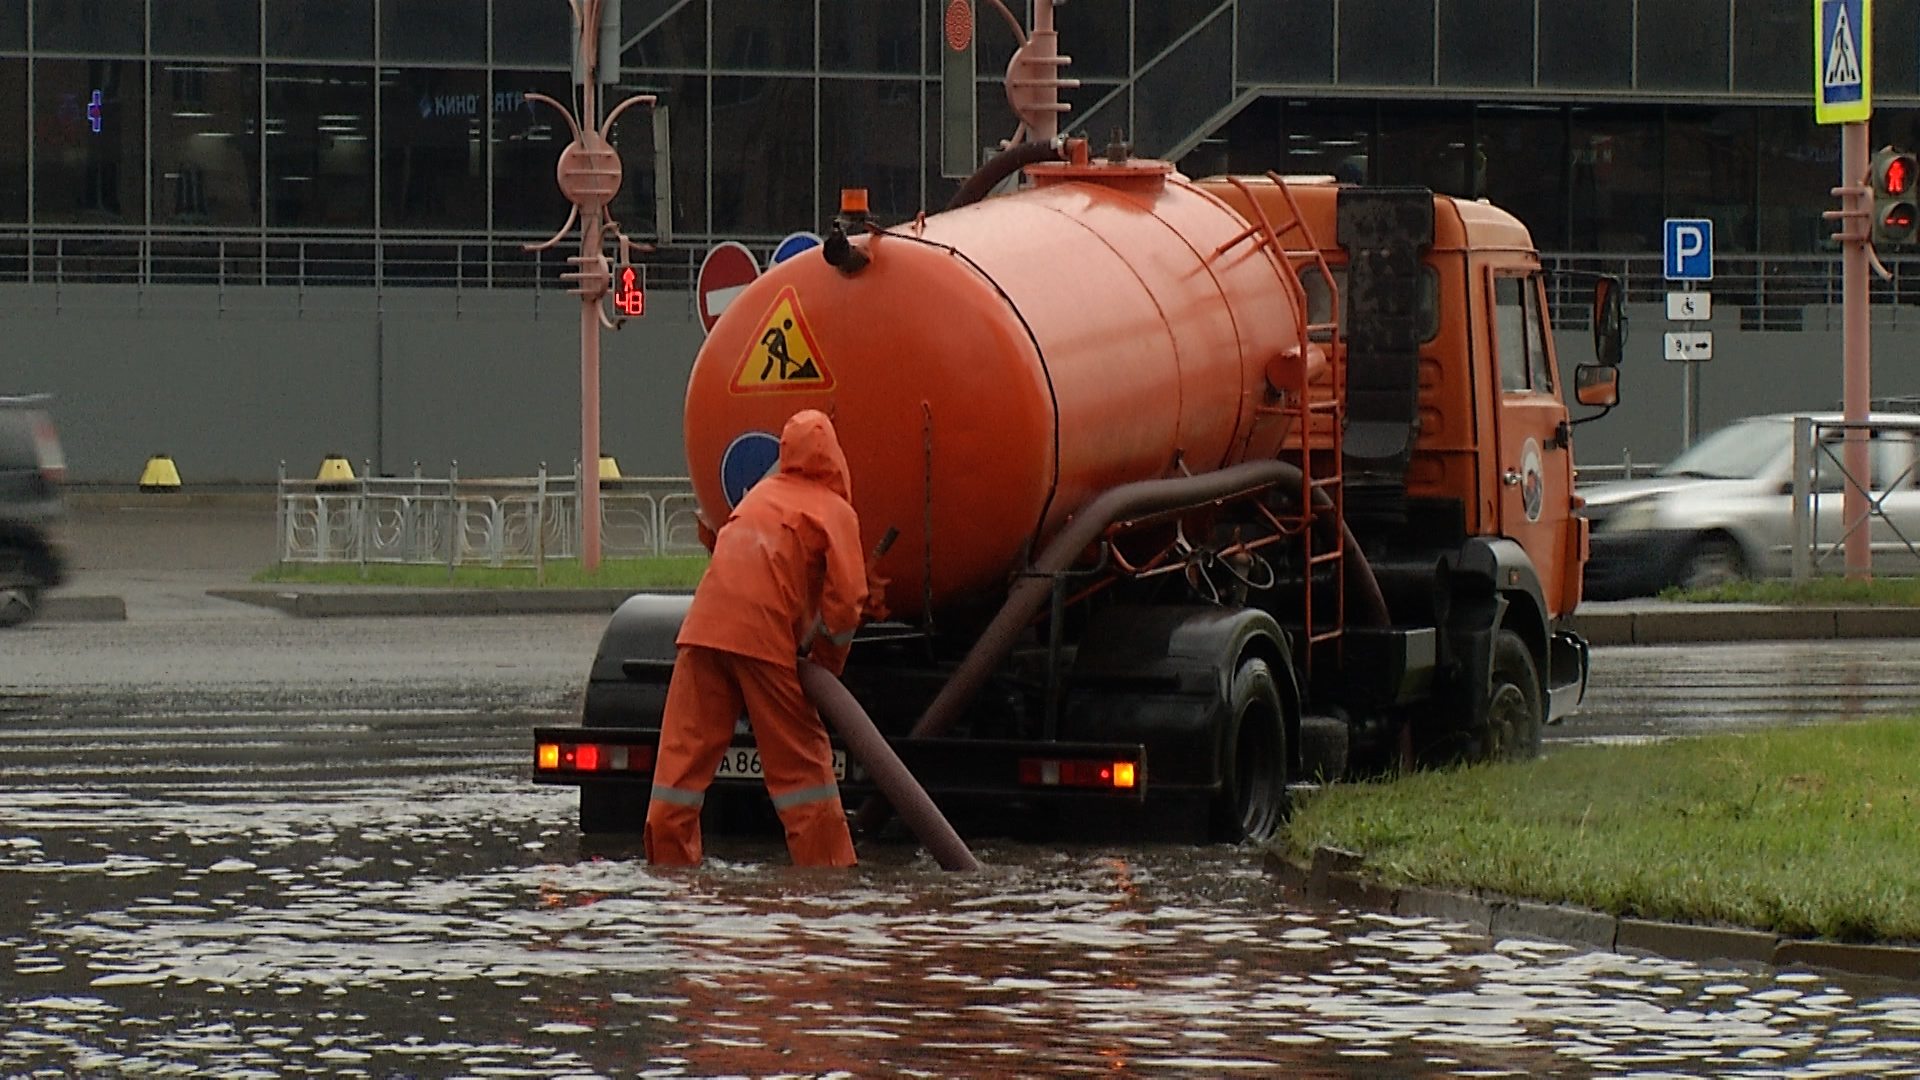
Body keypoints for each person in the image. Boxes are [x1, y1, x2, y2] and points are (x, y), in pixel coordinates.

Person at [644, 409, 873, 867]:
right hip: (763, 639)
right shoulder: (833, 511)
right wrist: (826, 664)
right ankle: (827, 885)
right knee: (802, 775)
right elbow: (847, 601)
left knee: (679, 768)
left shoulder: (757, 497)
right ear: (836, 457)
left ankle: (669, 878)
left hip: (702, 631)